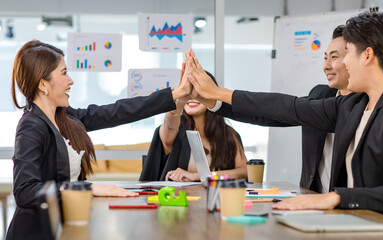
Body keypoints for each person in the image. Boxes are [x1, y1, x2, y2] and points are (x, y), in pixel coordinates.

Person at [186, 12, 383, 227]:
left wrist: (335, 197)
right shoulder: (354, 105)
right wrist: (218, 96)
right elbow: (287, 108)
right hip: (360, 225)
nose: (343, 62)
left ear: (367, 56)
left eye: (348, 54)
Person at [7, 40, 190, 240]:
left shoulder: (66, 117)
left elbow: (117, 112)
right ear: (43, 84)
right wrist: (89, 188)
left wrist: (174, 95)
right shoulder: (31, 126)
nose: (71, 81)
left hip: (65, 226)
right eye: (64, 73)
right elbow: (25, 191)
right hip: (37, 233)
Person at [204, 25, 351, 193]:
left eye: (334, 57)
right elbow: (272, 113)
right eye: (325, 58)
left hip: (349, 207)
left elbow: (283, 106)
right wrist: (215, 102)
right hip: (312, 199)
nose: (326, 66)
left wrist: (218, 92)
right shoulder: (321, 94)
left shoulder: (366, 105)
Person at [139, 54, 247, 182]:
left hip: (219, 199)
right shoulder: (175, 131)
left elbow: (245, 172)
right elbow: (170, 125)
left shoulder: (228, 134)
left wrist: (200, 176)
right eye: (188, 92)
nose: (192, 97)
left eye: (198, 92)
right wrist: (179, 100)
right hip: (177, 200)